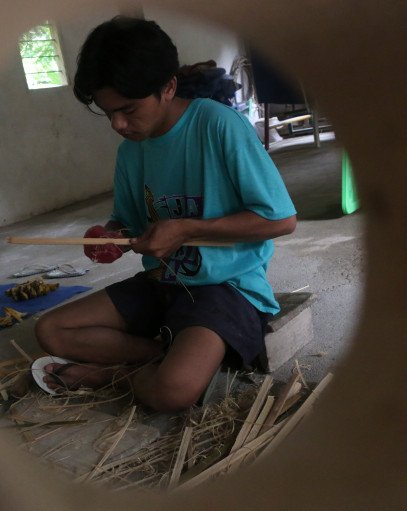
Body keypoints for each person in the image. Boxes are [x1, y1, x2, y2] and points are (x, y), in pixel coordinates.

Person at [34, 16, 297, 412]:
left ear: (168, 87)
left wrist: (186, 227)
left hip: (228, 287)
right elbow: (127, 221)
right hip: (163, 282)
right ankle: (157, 354)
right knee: (52, 330)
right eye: (108, 114)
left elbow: (281, 220)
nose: (119, 125)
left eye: (128, 110)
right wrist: (112, 237)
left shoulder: (216, 124)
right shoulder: (131, 150)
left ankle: (113, 375)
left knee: (171, 394)